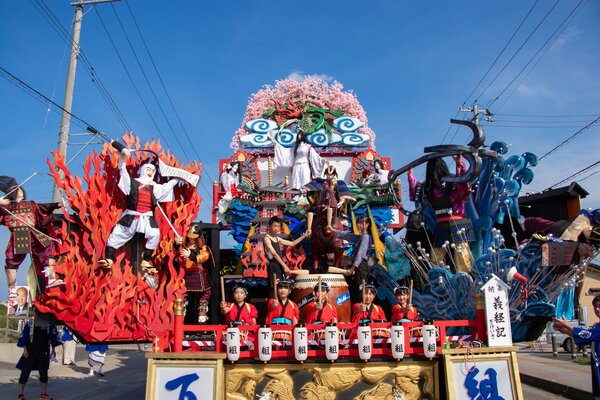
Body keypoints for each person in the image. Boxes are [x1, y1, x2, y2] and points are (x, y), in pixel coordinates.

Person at [98, 151, 180, 274]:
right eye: (148, 169)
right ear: (142, 170)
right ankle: (109, 258)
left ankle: (146, 260)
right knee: (117, 234)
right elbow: (123, 172)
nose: (150, 172)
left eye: (152, 170)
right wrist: (122, 158)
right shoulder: (133, 182)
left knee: (155, 234)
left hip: (147, 218)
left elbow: (167, 187)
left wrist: (177, 178)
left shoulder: (155, 187)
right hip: (132, 216)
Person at [407, 155, 474, 273]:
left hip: (448, 223)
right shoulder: (445, 183)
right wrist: (460, 164)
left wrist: (410, 176)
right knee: (460, 257)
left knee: (440, 258)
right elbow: (463, 186)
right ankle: (459, 281)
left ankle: (444, 281)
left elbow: (417, 189)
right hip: (452, 223)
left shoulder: (431, 187)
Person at [0, 175, 64, 292]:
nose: (21, 190)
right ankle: (12, 290)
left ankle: (51, 279)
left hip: (34, 234)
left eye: (20, 188)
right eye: (18, 189)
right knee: (12, 261)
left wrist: (56, 205)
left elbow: (43, 207)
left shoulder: (30, 204)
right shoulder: (5, 207)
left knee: (47, 249)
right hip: (18, 236)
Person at [553, 295, 600, 398]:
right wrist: (564, 330)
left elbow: (588, 334)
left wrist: (566, 325)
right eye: (595, 306)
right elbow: (587, 337)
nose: (597, 309)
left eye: (599, 306)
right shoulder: (597, 326)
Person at [328, 215, 373, 302]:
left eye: (361, 223)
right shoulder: (361, 237)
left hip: (362, 266)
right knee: (356, 288)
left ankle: (363, 311)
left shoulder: (365, 237)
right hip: (360, 266)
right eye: (358, 223)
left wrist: (352, 269)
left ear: (367, 224)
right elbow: (348, 235)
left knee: (361, 289)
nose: (359, 225)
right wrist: (333, 231)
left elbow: (360, 254)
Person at [174, 224, 212, 324]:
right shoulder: (183, 244)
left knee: (206, 291)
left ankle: (202, 311)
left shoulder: (203, 248)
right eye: (190, 237)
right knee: (182, 293)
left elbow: (203, 257)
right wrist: (176, 243)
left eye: (194, 238)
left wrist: (190, 254)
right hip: (185, 273)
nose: (191, 240)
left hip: (198, 272)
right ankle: (182, 309)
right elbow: (173, 254)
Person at [16, 319, 60, 400]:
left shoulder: (49, 323)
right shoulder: (30, 323)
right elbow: (24, 335)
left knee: (44, 373)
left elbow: (53, 336)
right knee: (24, 373)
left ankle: (43, 393)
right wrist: (24, 349)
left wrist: (53, 349)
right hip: (30, 352)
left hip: (43, 352)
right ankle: (20, 394)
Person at [263, 216, 308, 293]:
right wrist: (285, 266)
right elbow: (274, 254)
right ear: (269, 226)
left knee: (282, 288)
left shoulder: (277, 238)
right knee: (274, 289)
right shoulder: (266, 238)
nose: (276, 228)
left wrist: (304, 235)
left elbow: (292, 243)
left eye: (278, 226)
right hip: (274, 266)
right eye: (274, 226)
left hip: (280, 265)